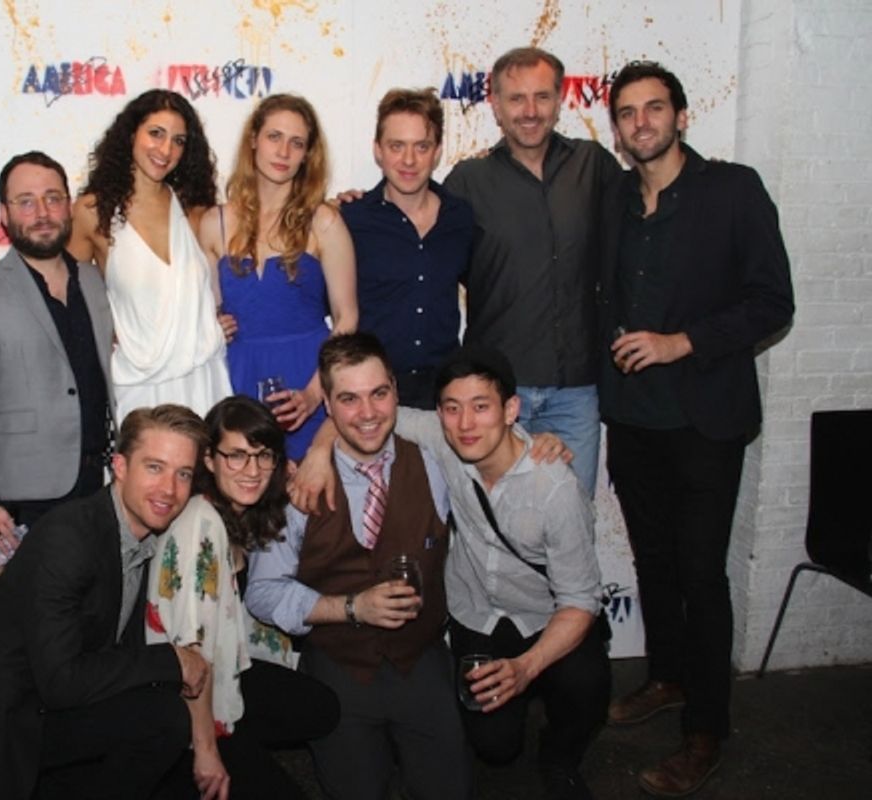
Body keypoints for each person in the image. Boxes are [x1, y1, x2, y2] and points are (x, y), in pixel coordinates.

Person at [599, 61, 794, 797]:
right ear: (615, 128)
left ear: (681, 116)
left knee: (701, 575)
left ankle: (706, 730)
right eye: (627, 112)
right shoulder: (616, 197)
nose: (641, 121)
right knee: (653, 563)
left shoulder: (732, 190)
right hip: (634, 418)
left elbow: (773, 301)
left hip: (706, 418)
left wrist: (684, 342)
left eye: (655, 108)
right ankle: (669, 678)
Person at [295, 344, 608, 800]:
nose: (465, 424)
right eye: (452, 408)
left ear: (511, 409)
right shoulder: (440, 439)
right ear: (438, 412)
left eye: (481, 407)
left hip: (546, 617)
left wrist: (526, 668)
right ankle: (509, 720)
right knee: (495, 747)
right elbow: (362, 412)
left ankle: (560, 756)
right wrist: (317, 451)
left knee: (586, 683)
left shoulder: (554, 487)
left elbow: (580, 599)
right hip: (476, 616)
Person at [0, 405, 211, 800]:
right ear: (121, 467)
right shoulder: (70, 538)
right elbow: (62, 682)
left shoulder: (143, 529)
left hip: (56, 699)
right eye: (154, 467)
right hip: (7, 724)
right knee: (164, 719)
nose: (169, 489)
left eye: (183, 474)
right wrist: (172, 659)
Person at [245, 333, 470, 800]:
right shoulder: (299, 488)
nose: (367, 413)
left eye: (378, 394)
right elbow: (262, 593)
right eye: (348, 399)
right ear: (326, 404)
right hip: (338, 662)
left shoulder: (433, 461)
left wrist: (542, 443)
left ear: (395, 391)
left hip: (419, 656)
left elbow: (493, 441)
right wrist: (352, 608)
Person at [443, 47, 622, 494]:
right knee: (499, 530)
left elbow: (646, 216)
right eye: (516, 99)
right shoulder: (468, 180)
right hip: (498, 394)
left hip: (575, 393)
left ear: (560, 101)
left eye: (541, 97)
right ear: (497, 106)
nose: (529, 111)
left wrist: (698, 179)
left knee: (571, 526)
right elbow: (423, 242)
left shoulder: (594, 165)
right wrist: (356, 203)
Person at [146, 396, 339, 799]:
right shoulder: (201, 526)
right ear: (210, 461)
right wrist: (207, 751)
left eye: (262, 456)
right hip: (185, 704)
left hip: (228, 677)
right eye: (235, 456)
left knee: (317, 707)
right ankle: (181, 767)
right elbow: (189, 655)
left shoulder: (235, 511)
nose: (251, 471)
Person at [0, 151, 113, 605]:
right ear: (4, 213)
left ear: (69, 205)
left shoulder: (93, 282)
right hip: (19, 501)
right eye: (25, 201)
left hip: (93, 486)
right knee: (15, 629)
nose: (41, 213)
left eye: (52, 198)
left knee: (81, 620)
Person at [197, 94, 357, 461]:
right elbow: (205, 312)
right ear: (253, 139)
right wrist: (210, 326)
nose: (284, 151)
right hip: (238, 378)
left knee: (311, 502)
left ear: (307, 155)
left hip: (308, 378)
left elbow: (347, 318)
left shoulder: (325, 223)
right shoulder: (213, 224)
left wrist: (317, 393)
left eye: (296, 143)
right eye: (274, 137)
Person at [71, 89, 231, 420]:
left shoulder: (195, 210)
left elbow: (263, 230)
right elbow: (64, 292)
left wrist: (329, 209)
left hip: (203, 379)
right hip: (137, 386)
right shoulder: (92, 211)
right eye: (156, 133)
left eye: (179, 141)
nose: (166, 150)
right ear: (131, 133)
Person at [339, 87, 479, 408]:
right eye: (396, 146)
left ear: (438, 151)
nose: (409, 160)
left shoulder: (460, 217)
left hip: (443, 397)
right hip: (370, 397)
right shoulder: (350, 220)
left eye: (422, 146)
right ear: (378, 150)